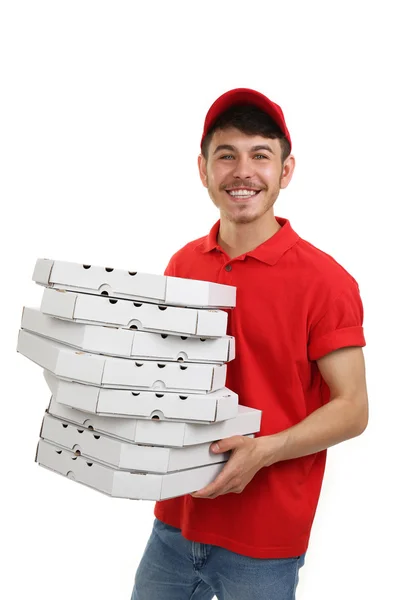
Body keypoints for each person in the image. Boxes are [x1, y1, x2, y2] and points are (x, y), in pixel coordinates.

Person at [131, 88, 368, 600]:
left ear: (285, 171)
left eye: (261, 155)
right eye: (227, 155)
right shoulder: (183, 265)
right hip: (175, 517)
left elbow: (353, 409)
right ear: (203, 170)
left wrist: (265, 451)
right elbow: (164, 374)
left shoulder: (326, 281)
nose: (243, 171)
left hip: (264, 539)